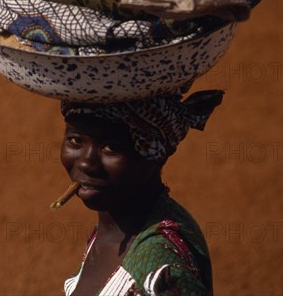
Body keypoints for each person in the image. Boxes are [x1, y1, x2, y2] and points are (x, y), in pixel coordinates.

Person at [59, 89, 224, 295]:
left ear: (156, 155)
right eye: (76, 141)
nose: (86, 162)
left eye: (111, 147)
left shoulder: (163, 271)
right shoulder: (114, 229)